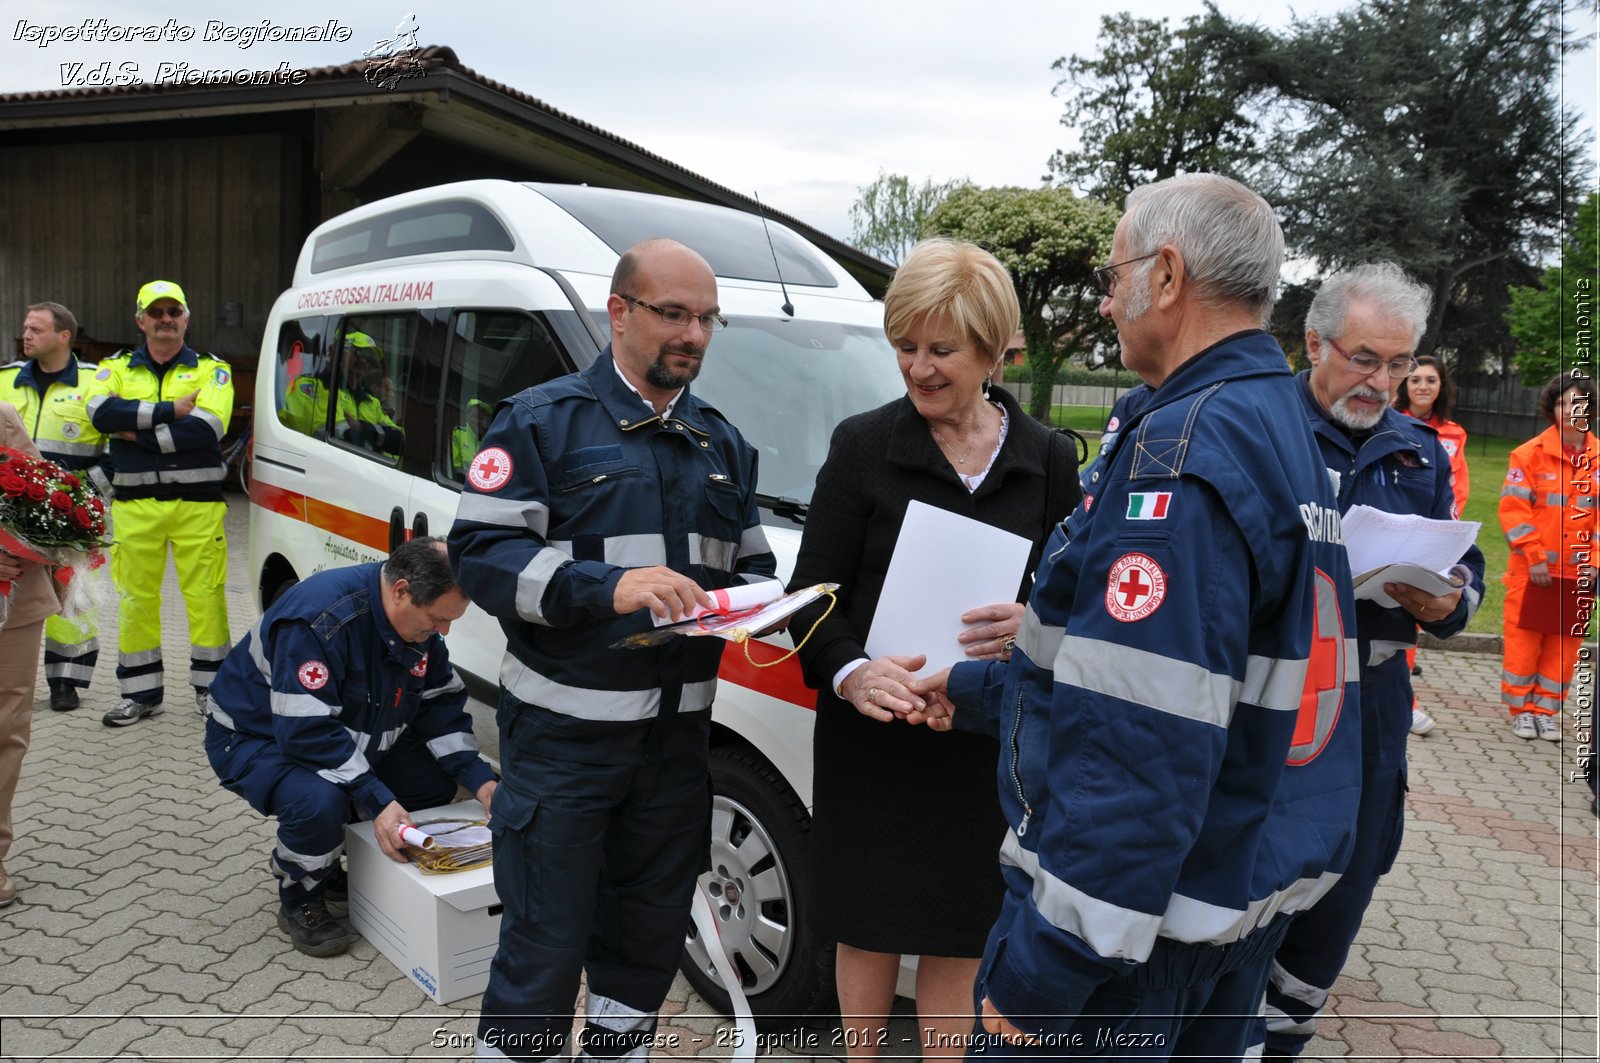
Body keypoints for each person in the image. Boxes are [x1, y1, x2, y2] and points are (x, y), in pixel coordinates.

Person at [913, 173, 1363, 1060]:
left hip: (1131, 944)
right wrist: (979, 693)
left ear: (1165, 274)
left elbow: (1142, 740)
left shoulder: (1184, 450)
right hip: (1235, 902)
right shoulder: (1280, 421)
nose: (1108, 300)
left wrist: (1043, 973)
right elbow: (1174, 672)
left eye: (1114, 275)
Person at [448, 238, 776, 1063]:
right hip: (564, 751)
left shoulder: (722, 443)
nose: (693, 334)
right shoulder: (538, 421)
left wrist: (765, 605)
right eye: (674, 313)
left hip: (674, 753)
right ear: (619, 312)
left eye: (707, 318)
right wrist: (609, 587)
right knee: (543, 951)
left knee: (643, 948)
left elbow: (755, 563)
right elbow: (482, 558)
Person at [784, 238, 1082, 1058]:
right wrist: (851, 673)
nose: (918, 368)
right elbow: (810, 598)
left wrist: (1034, 625)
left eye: (940, 349)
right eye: (905, 346)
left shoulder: (1051, 460)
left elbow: (1076, 599)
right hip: (873, 741)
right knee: (868, 927)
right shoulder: (861, 445)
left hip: (980, 745)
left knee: (961, 932)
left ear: (993, 350)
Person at [1261, 262, 1486, 1060]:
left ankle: (1284, 1039)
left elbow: (1467, 574)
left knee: (1346, 884)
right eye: (1364, 358)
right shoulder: (1262, 426)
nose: (1382, 381)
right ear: (1313, 342)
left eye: (1398, 364)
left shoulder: (1417, 453)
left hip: (1376, 703)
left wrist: (1446, 597)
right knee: (1255, 883)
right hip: (1276, 695)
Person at [203, 537, 496, 956]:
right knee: (321, 803)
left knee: (430, 783)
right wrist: (375, 798)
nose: (444, 631)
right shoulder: (320, 621)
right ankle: (301, 893)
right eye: (438, 619)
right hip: (258, 737)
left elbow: (439, 705)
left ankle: (339, 858)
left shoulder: (418, 623)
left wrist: (479, 778)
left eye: (451, 621)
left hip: (351, 734)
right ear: (401, 591)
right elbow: (305, 731)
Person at [86, 280, 234, 726]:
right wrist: (170, 410)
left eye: (174, 311)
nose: (165, 319)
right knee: (135, 601)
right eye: (157, 312)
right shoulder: (113, 367)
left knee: (207, 600)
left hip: (197, 507)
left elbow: (208, 430)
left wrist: (132, 431)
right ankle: (140, 694)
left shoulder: (213, 369)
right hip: (134, 507)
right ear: (140, 320)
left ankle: (214, 695)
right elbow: (96, 414)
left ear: (186, 318)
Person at [0, 302, 109, 711]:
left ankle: (68, 679)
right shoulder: (6, 379)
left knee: (75, 592)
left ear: (64, 336)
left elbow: (115, 444)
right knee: (30, 589)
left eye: (36, 329)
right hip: (12, 512)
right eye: (25, 328)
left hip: (70, 510)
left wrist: (84, 498)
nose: (26, 335)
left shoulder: (95, 379)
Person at [1499, 371, 1597, 741]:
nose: (1571, 410)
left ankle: (1546, 710)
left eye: (1579, 402)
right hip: (1532, 572)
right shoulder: (1528, 455)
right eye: (1563, 402)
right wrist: (1535, 557)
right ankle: (1521, 710)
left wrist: (1595, 564)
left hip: (1578, 575)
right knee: (1524, 644)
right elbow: (1513, 511)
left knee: (1564, 647)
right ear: (1551, 408)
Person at [0, 403, 63, 908]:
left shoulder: (1, 416)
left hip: (10, 601)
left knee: (4, 727)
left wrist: (19, 546)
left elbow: (49, 507)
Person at [1392, 353, 1470, 734]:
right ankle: (1403, 701)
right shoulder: (1388, 421)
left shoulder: (1453, 434)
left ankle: (1404, 699)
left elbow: (1458, 488)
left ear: (1442, 387)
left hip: (1434, 533)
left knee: (1414, 618)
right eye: (1416, 379)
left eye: (1431, 380)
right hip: (1395, 529)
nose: (1423, 386)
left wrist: (1445, 532)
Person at [451, 398, 494, 475]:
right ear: (467, 416)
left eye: (483, 417)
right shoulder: (458, 433)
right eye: (476, 416)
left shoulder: (490, 439)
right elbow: (456, 467)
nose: (479, 421)